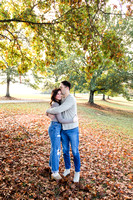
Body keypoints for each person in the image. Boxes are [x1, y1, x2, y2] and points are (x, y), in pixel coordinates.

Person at [46, 81, 80, 183]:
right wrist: (47, 112)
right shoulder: (62, 98)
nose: (60, 90)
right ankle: (67, 169)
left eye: (61, 88)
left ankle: (77, 172)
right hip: (63, 129)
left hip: (72, 129)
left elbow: (59, 109)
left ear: (67, 88)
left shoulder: (70, 99)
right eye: (58, 90)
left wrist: (48, 111)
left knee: (74, 151)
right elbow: (56, 108)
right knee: (65, 151)